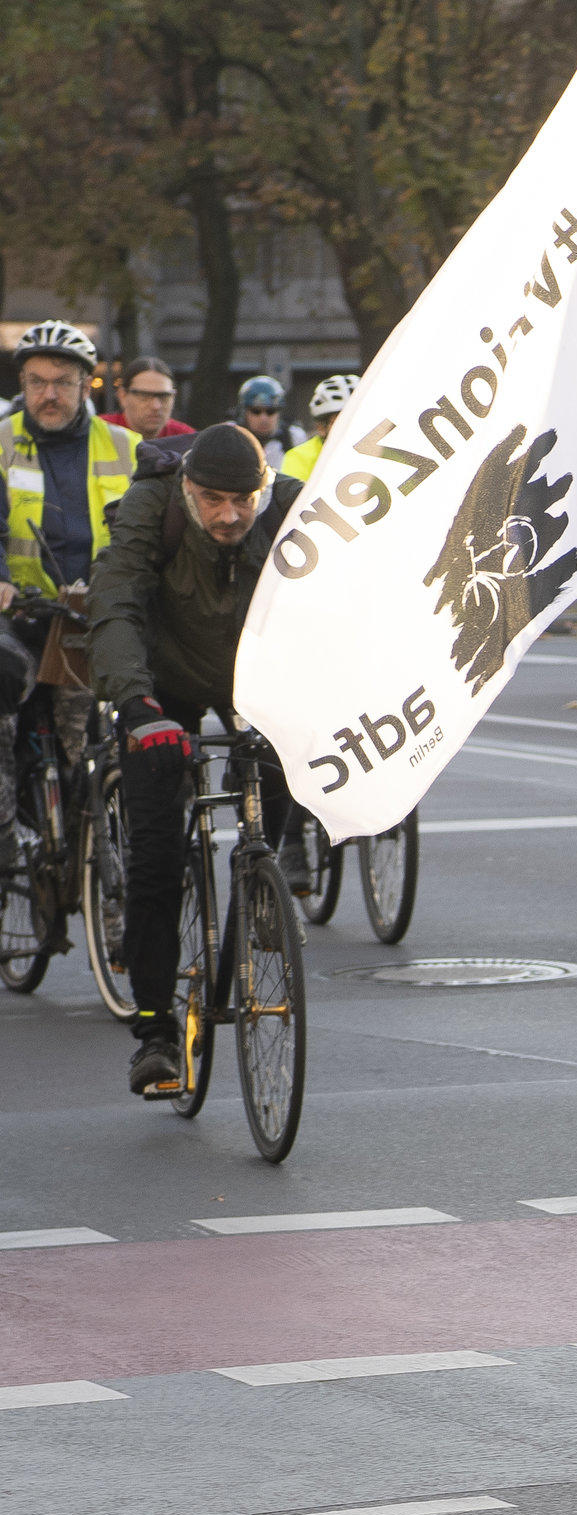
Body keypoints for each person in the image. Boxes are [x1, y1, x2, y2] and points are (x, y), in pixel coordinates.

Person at [86, 424, 304, 1094]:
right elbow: (116, 602)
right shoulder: (155, 505)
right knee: (157, 858)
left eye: (243, 499)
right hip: (164, 686)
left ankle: (255, 895)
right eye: (212, 499)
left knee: (280, 780)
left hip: (254, 680)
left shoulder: (295, 508)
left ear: (262, 488)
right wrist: (135, 704)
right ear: (188, 490)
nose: (229, 514)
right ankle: (155, 1034)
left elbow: (342, 599)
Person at [4, 323, 141, 847]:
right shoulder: (1, 442)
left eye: (62, 382)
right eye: (36, 382)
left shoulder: (126, 447)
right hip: (21, 612)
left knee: (84, 749)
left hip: (92, 614)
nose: (48, 395)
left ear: (89, 385)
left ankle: (90, 847)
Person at [101, 357, 195, 447]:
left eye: (164, 396)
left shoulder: (188, 439)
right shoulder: (97, 433)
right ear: (122, 396)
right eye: (144, 396)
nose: (156, 406)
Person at [279, 374, 355, 480]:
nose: (350, 427)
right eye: (340, 421)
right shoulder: (300, 458)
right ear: (321, 428)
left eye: (357, 420)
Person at [235, 376, 302, 471]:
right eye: (256, 411)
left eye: (270, 411)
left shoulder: (294, 438)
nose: (263, 418)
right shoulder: (231, 437)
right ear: (244, 413)